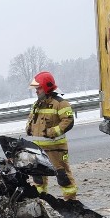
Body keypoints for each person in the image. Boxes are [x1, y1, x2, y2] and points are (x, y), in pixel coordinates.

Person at [25, 71, 77, 200]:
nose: (36, 91)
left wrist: (51, 132)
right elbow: (31, 119)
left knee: (63, 176)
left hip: (56, 149)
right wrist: (28, 127)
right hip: (38, 149)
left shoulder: (60, 103)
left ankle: (71, 202)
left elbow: (68, 121)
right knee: (38, 178)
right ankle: (41, 200)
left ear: (46, 86)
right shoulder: (37, 104)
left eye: (39, 88)